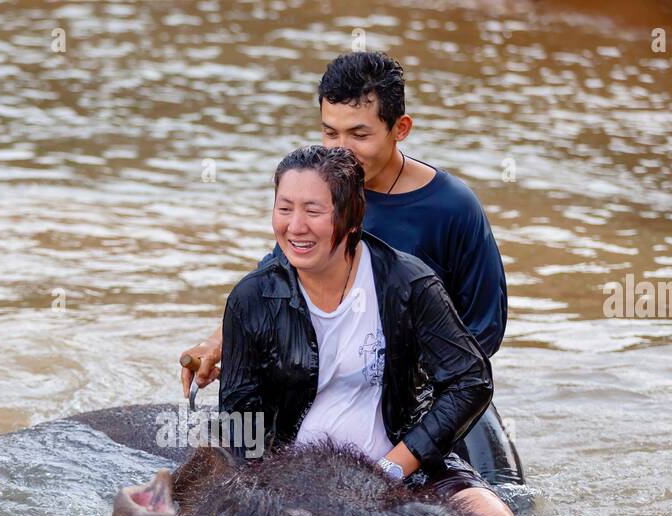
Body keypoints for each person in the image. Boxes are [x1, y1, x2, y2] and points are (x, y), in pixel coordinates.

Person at [181, 51, 512, 477]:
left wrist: (404, 384)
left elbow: (485, 327)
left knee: (503, 509)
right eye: (330, 133)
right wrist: (216, 342)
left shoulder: (454, 208)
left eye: (359, 134)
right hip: (330, 380)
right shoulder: (316, 201)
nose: (342, 150)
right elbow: (278, 282)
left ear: (400, 129)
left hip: (422, 393)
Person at [216, 145, 520, 516]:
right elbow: (238, 423)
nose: (295, 227)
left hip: (405, 469)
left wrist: (397, 466)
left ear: (351, 217)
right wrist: (270, 493)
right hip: (298, 476)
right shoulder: (252, 299)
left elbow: (471, 380)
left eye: (313, 210)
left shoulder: (408, 283)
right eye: (284, 209)